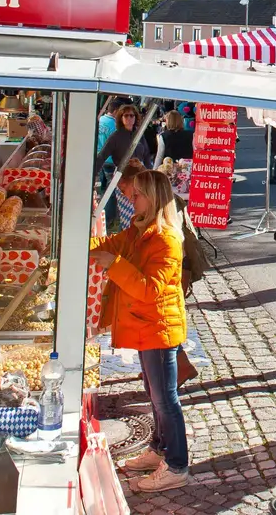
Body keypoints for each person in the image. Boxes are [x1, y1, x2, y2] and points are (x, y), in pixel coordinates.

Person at [89, 163, 190, 492]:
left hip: (159, 331)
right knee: (155, 395)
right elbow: (111, 243)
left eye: (139, 194)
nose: (132, 198)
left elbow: (149, 289)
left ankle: (176, 465)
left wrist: (114, 266)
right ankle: (158, 450)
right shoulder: (139, 230)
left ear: (154, 198)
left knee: (165, 400)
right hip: (148, 329)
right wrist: (81, 246)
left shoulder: (167, 239)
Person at [96, 104, 154, 233]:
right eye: (126, 115)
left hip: (140, 177)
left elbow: (147, 156)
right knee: (127, 216)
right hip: (123, 178)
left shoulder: (139, 135)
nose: (129, 118)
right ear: (120, 118)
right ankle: (125, 240)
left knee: (140, 211)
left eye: (132, 115)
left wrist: (151, 174)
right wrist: (91, 175)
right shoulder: (116, 136)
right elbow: (102, 156)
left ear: (136, 117)